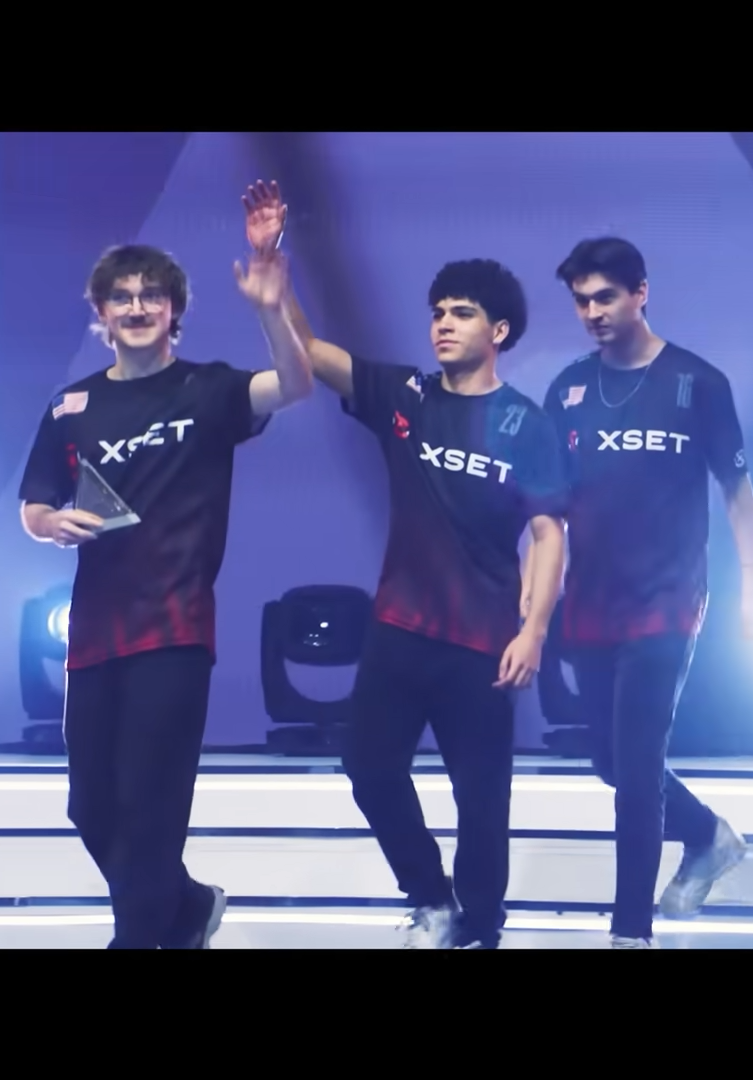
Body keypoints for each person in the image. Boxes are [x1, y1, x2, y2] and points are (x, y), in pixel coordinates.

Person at [243, 181, 570, 950]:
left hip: (482, 643)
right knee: (367, 768)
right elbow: (312, 352)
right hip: (398, 632)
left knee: (482, 802)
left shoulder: (526, 423)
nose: (444, 323)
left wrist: (533, 631)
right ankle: (431, 899)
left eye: (462, 313)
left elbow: (549, 533)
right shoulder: (408, 396)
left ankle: (480, 929)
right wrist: (273, 273)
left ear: (499, 330)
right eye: (438, 312)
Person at [17, 239, 312, 947]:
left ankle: (139, 936)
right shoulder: (72, 406)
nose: (137, 307)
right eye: (121, 296)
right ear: (100, 312)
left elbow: (294, 383)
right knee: (90, 809)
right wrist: (51, 523)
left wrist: (272, 309)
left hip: (176, 630)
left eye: (152, 295)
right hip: (95, 634)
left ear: (175, 309)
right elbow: (34, 505)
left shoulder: (207, 389)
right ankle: (186, 907)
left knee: (150, 808)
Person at [535, 236, 753, 948]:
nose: (593, 312)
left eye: (605, 297)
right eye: (581, 301)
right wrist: (537, 597)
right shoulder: (567, 390)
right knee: (610, 761)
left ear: (641, 293)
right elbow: (549, 509)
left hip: (668, 601)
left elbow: (737, 491)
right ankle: (709, 835)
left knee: (636, 770)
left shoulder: (698, 382)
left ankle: (629, 933)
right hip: (591, 600)